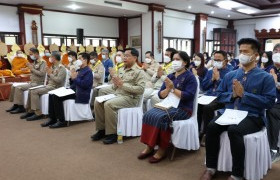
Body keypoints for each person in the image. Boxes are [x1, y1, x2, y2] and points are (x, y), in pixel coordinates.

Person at [200, 38, 276, 180]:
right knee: (211, 126)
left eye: (246, 51)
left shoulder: (265, 78)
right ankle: (210, 167)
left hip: (252, 116)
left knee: (234, 130)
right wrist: (233, 95)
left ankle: (236, 174)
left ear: (255, 55)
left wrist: (244, 96)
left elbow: (269, 102)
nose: (242, 54)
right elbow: (220, 95)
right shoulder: (231, 75)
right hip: (229, 113)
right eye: (240, 51)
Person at [138, 51, 197, 163]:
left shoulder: (190, 77)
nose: (174, 62)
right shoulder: (170, 76)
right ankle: (150, 146)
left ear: (185, 62)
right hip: (168, 105)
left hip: (183, 108)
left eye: (177, 59)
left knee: (162, 118)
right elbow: (160, 95)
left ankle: (162, 150)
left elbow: (188, 96)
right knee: (148, 114)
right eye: (173, 59)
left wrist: (173, 89)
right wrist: (168, 89)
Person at [91, 48, 145, 144]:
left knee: (108, 104)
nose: (124, 57)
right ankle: (102, 130)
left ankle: (113, 133)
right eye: (124, 55)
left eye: (127, 56)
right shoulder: (121, 69)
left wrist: (122, 85)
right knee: (98, 101)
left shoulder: (139, 71)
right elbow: (116, 86)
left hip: (131, 98)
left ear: (135, 58)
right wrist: (114, 80)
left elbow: (140, 90)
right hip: (118, 94)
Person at [41, 53, 93, 128]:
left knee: (56, 96)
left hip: (81, 93)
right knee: (51, 94)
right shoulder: (78, 70)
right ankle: (52, 119)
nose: (78, 60)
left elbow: (85, 85)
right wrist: (72, 78)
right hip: (73, 90)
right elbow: (73, 83)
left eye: (80, 59)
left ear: (85, 60)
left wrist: (75, 78)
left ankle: (61, 121)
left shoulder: (88, 71)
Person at [198, 50, 231, 146]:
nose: (216, 62)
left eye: (219, 60)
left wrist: (218, 79)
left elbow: (228, 90)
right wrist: (212, 79)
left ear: (225, 61)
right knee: (197, 105)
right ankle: (197, 131)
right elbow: (203, 86)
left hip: (220, 98)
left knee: (208, 108)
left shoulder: (230, 73)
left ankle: (206, 133)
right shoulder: (210, 71)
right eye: (214, 60)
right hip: (208, 96)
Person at [21, 51, 67, 121]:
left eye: (51, 57)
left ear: (54, 58)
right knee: (31, 90)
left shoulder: (61, 68)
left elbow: (59, 80)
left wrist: (50, 74)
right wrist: (49, 75)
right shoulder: (52, 67)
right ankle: (30, 111)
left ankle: (37, 113)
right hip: (49, 85)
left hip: (55, 87)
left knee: (34, 91)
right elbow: (49, 78)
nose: (49, 58)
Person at [6, 48, 46, 114]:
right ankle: (16, 105)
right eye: (29, 54)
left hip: (38, 83)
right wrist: (26, 68)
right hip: (32, 81)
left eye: (31, 54)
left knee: (19, 88)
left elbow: (42, 74)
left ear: (36, 54)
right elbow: (31, 69)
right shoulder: (35, 61)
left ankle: (21, 107)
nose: (30, 56)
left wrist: (31, 68)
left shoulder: (43, 62)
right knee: (14, 86)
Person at [267, 43, 280, 163]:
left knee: (271, 112)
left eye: (279, 52)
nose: (277, 54)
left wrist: (276, 82)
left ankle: (274, 148)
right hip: (270, 99)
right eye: (275, 51)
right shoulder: (270, 68)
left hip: (278, 104)